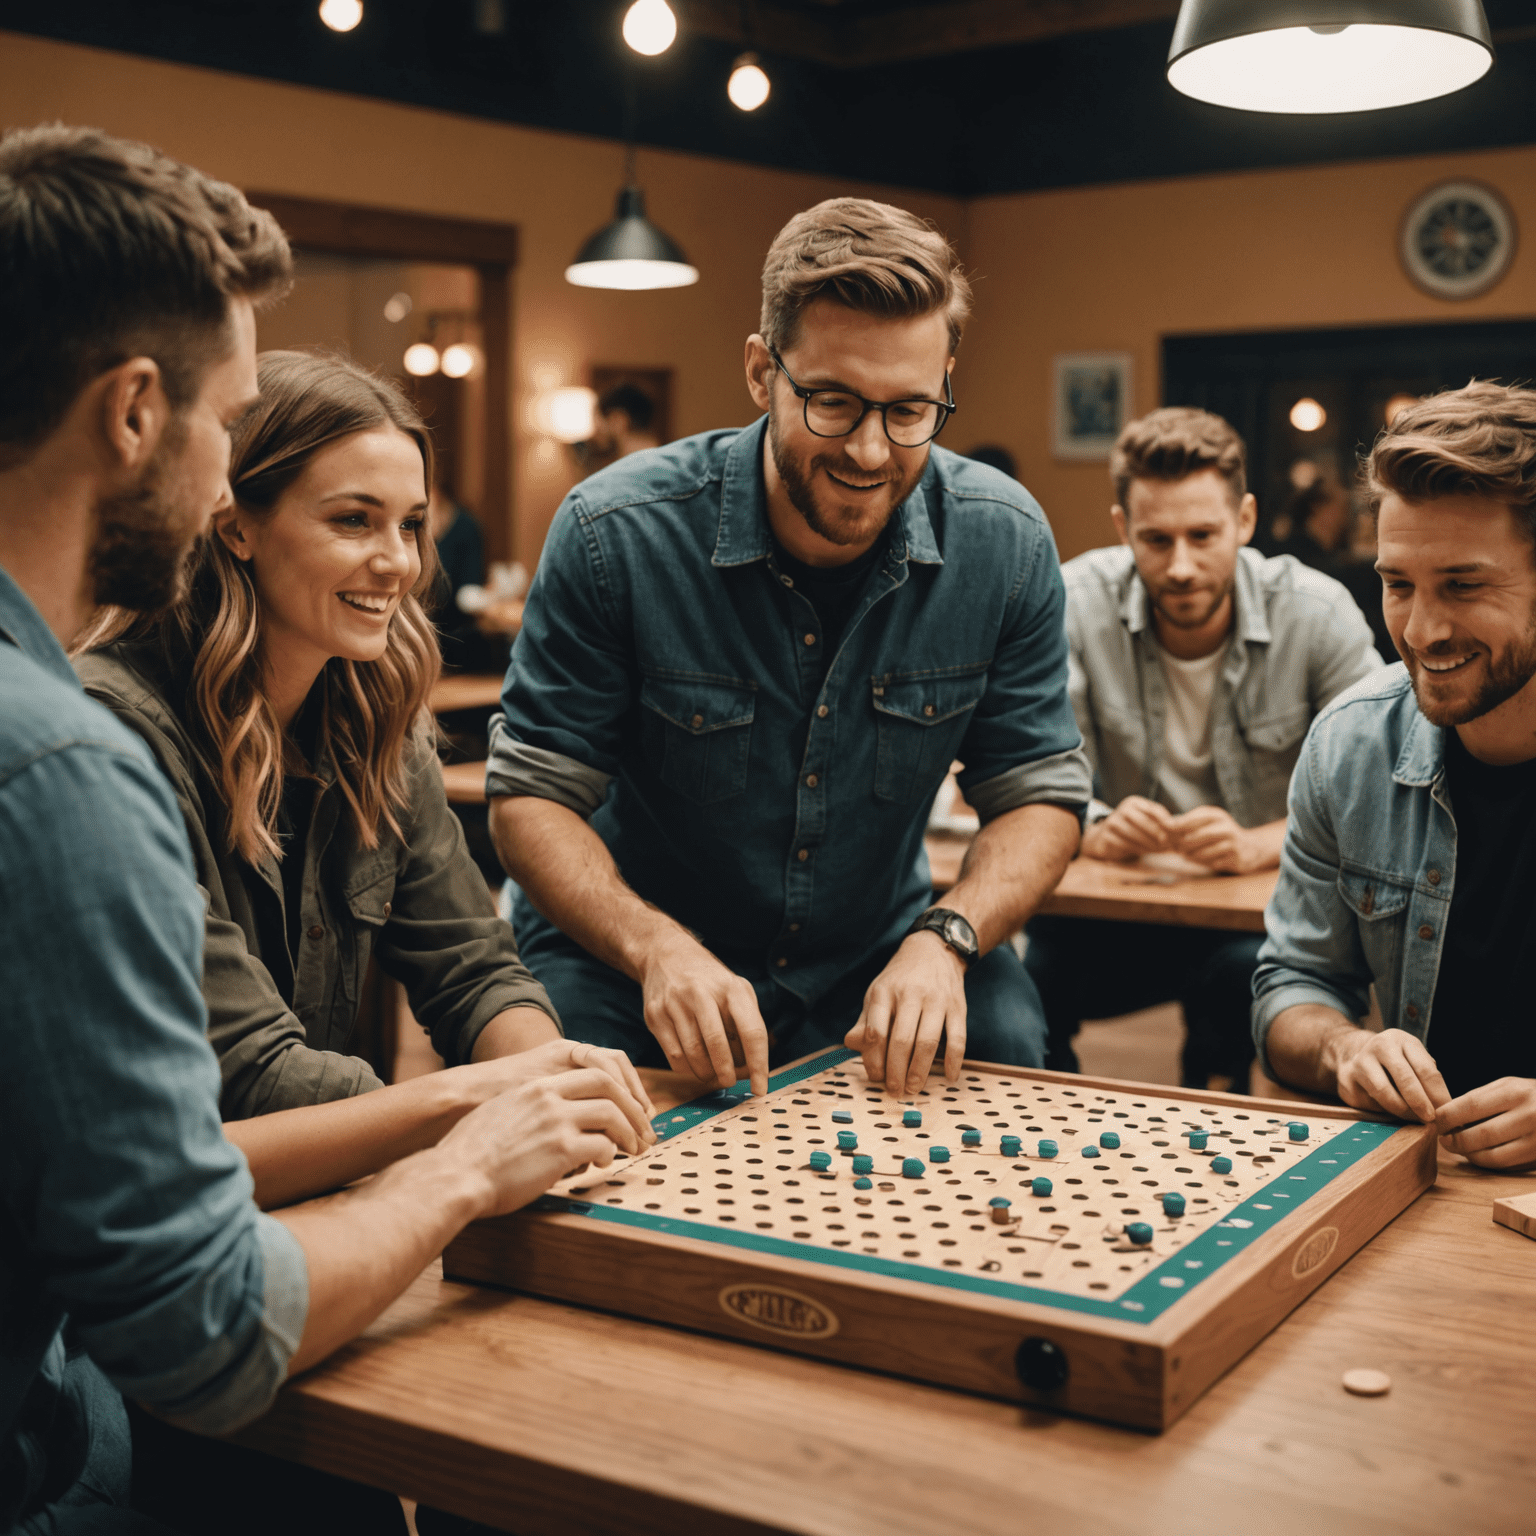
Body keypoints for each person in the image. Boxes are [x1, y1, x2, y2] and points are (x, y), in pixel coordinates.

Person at [0, 124, 651, 1535]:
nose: (400, 566)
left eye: (409, 526)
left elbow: (473, 969)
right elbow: (204, 1308)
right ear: (135, 416)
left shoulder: (370, 711)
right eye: (223, 422)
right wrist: (473, 1140)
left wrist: (540, 1090)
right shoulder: (74, 754)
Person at [488, 197, 1092, 1102]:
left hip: (880, 949)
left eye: (911, 409)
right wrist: (656, 949)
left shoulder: (1003, 542)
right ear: (760, 370)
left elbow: (1040, 794)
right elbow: (530, 798)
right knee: (561, 1115)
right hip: (629, 954)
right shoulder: (614, 532)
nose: (871, 450)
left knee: (1004, 1039)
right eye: (833, 402)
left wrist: (946, 937)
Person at [1024, 407, 1380, 1090]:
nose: (1181, 566)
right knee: (1029, 983)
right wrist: (1091, 825)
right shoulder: (1072, 601)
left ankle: (1214, 1107)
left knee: (1242, 981)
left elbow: (1377, 786)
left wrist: (1264, 841)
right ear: (1123, 528)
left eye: (1203, 535)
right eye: (1156, 540)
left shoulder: (1316, 611)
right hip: (1114, 917)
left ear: (1245, 521)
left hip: (1259, 917)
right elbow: (1033, 765)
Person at [1256, 381, 1536, 1168]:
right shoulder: (1352, 744)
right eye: (1398, 584)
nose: (1421, 630)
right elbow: (1291, 985)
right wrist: (1346, 1049)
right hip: (1424, 1179)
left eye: (1465, 585)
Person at [591, 381, 660, 460]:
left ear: (618, 419)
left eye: (600, 418)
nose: (597, 428)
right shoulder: (654, 457)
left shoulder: (636, 463)